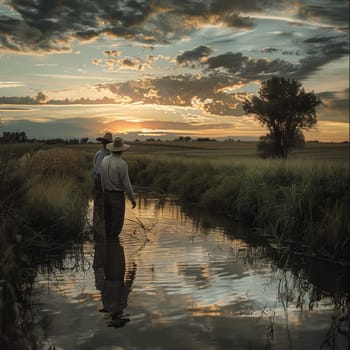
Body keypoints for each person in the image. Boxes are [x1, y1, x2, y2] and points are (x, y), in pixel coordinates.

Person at [100, 137, 136, 238]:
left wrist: (104, 193)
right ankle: (113, 249)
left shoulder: (104, 160)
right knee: (116, 225)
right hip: (117, 197)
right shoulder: (122, 164)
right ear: (122, 150)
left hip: (106, 194)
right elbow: (126, 184)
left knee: (108, 223)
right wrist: (132, 198)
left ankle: (108, 248)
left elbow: (102, 179)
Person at [100, 238, 137, 328]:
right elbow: (103, 291)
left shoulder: (121, 306)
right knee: (110, 249)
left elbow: (126, 289)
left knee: (116, 249)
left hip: (117, 276)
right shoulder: (107, 306)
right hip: (108, 275)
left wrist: (132, 274)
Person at [92, 132, 113, 232]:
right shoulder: (102, 154)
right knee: (100, 207)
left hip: (100, 182)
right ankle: (98, 229)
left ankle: (98, 229)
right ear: (105, 144)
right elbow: (97, 170)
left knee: (99, 207)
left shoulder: (104, 153)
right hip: (99, 183)